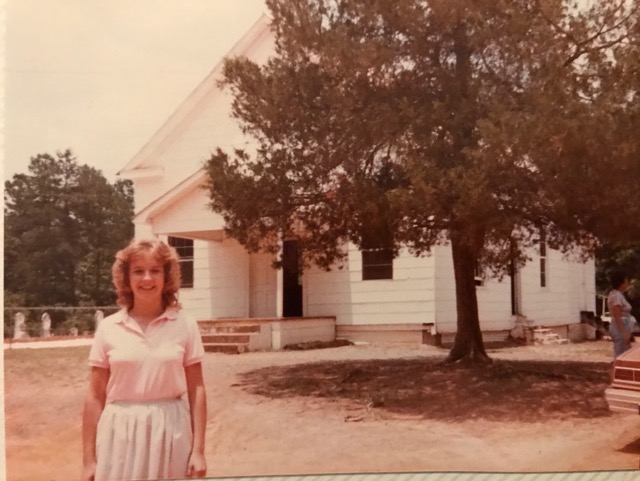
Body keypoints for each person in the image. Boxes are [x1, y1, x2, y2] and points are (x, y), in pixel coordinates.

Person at [81, 239, 207, 481]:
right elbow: (95, 397)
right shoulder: (109, 328)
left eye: (155, 270)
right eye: (138, 271)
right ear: (126, 278)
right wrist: (88, 460)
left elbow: (197, 389)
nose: (147, 279)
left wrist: (199, 451)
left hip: (171, 430)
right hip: (120, 433)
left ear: (166, 276)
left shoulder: (185, 325)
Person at [607, 269, 634, 359]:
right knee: (621, 354)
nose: (627, 282)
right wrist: (624, 332)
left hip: (623, 326)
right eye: (626, 280)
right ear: (621, 282)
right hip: (620, 327)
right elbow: (617, 315)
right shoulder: (616, 296)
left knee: (625, 351)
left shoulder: (617, 294)